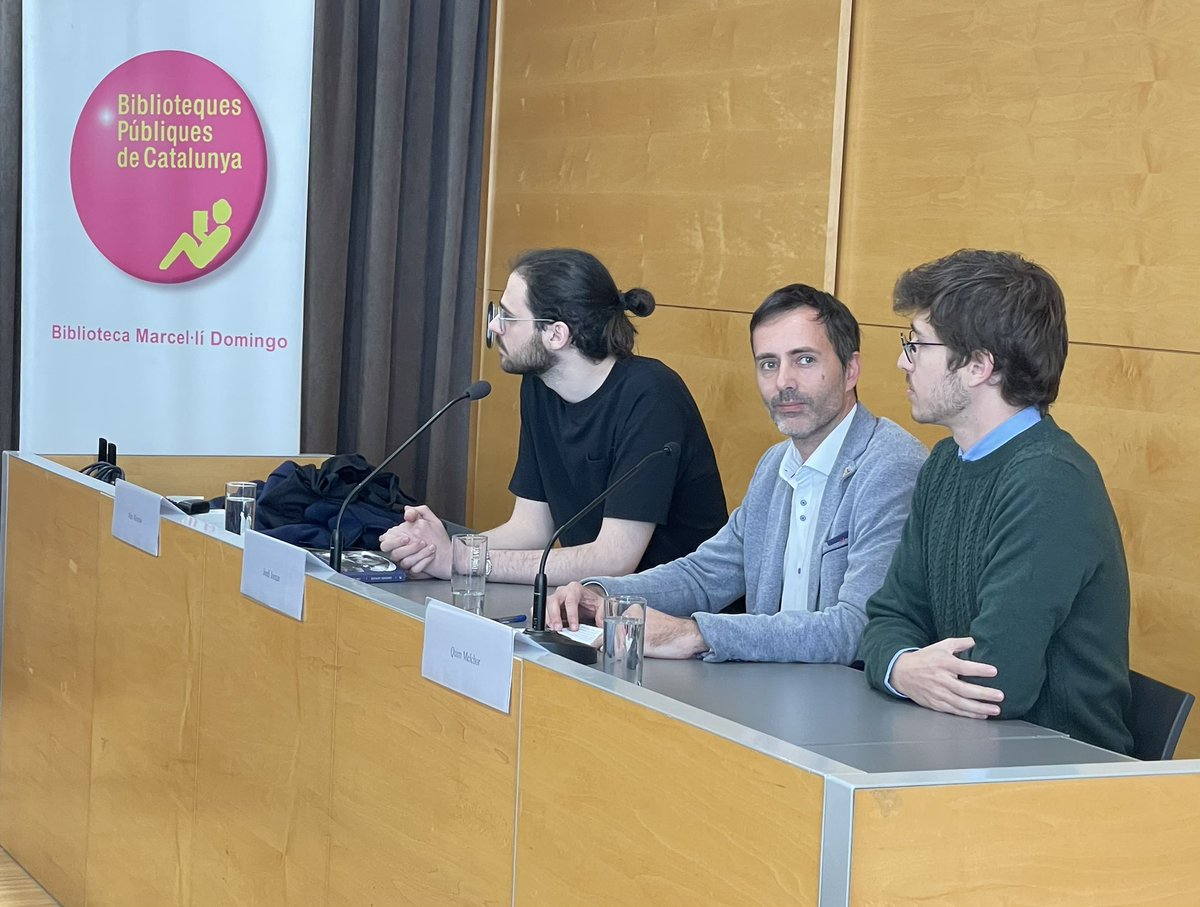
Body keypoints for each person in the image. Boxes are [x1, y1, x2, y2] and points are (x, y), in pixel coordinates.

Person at [547, 284, 927, 663]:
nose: (784, 383)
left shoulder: (889, 465)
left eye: (805, 360)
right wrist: (601, 594)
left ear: (850, 371)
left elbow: (857, 629)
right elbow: (704, 575)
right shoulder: (775, 465)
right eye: (769, 364)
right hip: (772, 692)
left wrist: (695, 634)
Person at [858, 249, 1133, 754]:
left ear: (979, 366)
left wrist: (904, 663)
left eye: (917, 345)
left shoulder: (1050, 481)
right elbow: (887, 618)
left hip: (1057, 773)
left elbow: (994, 683)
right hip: (961, 749)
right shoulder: (945, 462)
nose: (902, 360)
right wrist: (902, 666)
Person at [381, 248, 728, 585]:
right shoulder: (540, 386)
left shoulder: (652, 396)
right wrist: (436, 552)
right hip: (595, 606)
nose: (496, 327)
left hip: (679, 615)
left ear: (556, 334)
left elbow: (614, 560)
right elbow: (530, 528)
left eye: (509, 316)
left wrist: (462, 562)